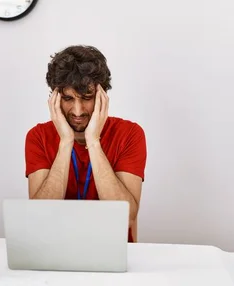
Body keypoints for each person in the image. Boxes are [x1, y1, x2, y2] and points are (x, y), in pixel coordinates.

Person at [24, 45, 147, 242]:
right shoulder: (38, 136)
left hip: (111, 251)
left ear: (102, 97)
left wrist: (93, 141)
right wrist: (66, 142)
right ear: (54, 98)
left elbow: (126, 217)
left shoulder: (130, 134)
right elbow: (40, 217)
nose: (78, 111)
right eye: (68, 98)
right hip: (55, 250)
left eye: (87, 98)